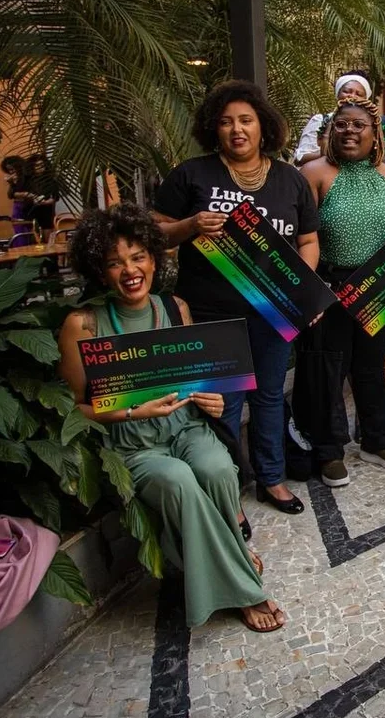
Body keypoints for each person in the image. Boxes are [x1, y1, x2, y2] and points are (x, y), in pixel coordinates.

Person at [58, 204, 285, 632]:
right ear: (98, 270)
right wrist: (130, 409)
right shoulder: (82, 324)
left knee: (218, 467)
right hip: (132, 441)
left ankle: (228, 555)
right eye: (114, 262)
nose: (129, 270)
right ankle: (245, 588)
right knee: (178, 480)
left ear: (154, 258)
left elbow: (195, 381)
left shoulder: (174, 307)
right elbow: (74, 406)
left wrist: (212, 399)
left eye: (138, 256)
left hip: (184, 426)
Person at [154, 80, 319, 515]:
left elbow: (308, 241)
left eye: (246, 120)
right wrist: (190, 226)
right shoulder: (193, 174)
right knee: (222, 400)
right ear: (214, 129)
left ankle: (271, 479)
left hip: (273, 309)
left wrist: (302, 290)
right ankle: (227, 490)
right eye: (226, 122)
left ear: (264, 127)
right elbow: (154, 231)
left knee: (268, 395)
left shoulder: (290, 180)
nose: (237, 130)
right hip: (210, 310)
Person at [298, 96, 385, 487]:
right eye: (341, 124)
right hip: (332, 288)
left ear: (375, 133)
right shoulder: (314, 172)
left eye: (358, 125)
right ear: (331, 131)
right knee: (329, 372)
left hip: (379, 290)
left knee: (370, 367)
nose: (349, 131)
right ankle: (330, 450)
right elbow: (302, 237)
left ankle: (376, 439)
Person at [293, 71, 372, 165]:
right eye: (347, 91)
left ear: (366, 100)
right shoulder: (321, 120)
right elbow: (300, 159)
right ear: (338, 94)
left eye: (359, 94)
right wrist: (329, 154)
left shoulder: (371, 124)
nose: (352, 96)